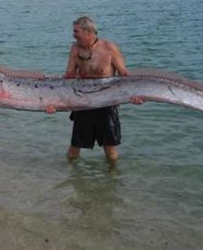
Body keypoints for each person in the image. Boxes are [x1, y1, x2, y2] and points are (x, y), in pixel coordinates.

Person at [48, 16, 143, 162]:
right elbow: (69, 77)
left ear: (88, 31)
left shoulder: (109, 48)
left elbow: (124, 75)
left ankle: (112, 180)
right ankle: (72, 178)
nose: (73, 35)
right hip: (83, 101)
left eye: (76, 31)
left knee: (110, 149)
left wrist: (135, 95)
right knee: (74, 148)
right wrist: (53, 101)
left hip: (107, 102)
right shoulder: (74, 49)